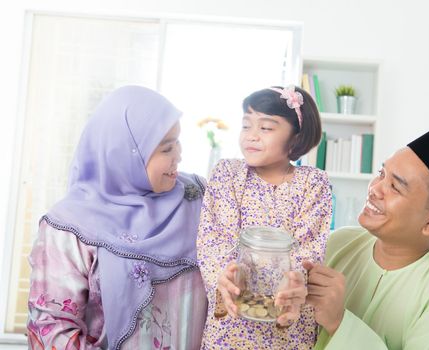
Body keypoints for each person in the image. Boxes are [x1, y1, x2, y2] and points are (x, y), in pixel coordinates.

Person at [27, 86, 208, 349]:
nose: (179, 156)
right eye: (166, 148)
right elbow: (50, 330)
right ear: (125, 152)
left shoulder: (199, 197)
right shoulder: (69, 227)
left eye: (178, 142)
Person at [305, 118, 429, 350]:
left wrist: (339, 322)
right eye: (381, 173)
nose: (375, 188)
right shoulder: (340, 242)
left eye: (395, 187)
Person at [197, 85, 332, 349]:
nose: (252, 136)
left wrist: (292, 282)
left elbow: (310, 249)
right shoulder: (228, 174)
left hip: (289, 329)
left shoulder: (313, 183)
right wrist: (228, 277)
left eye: (266, 128)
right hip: (230, 331)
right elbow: (213, 240)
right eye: (246, 126)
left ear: (296, 137)